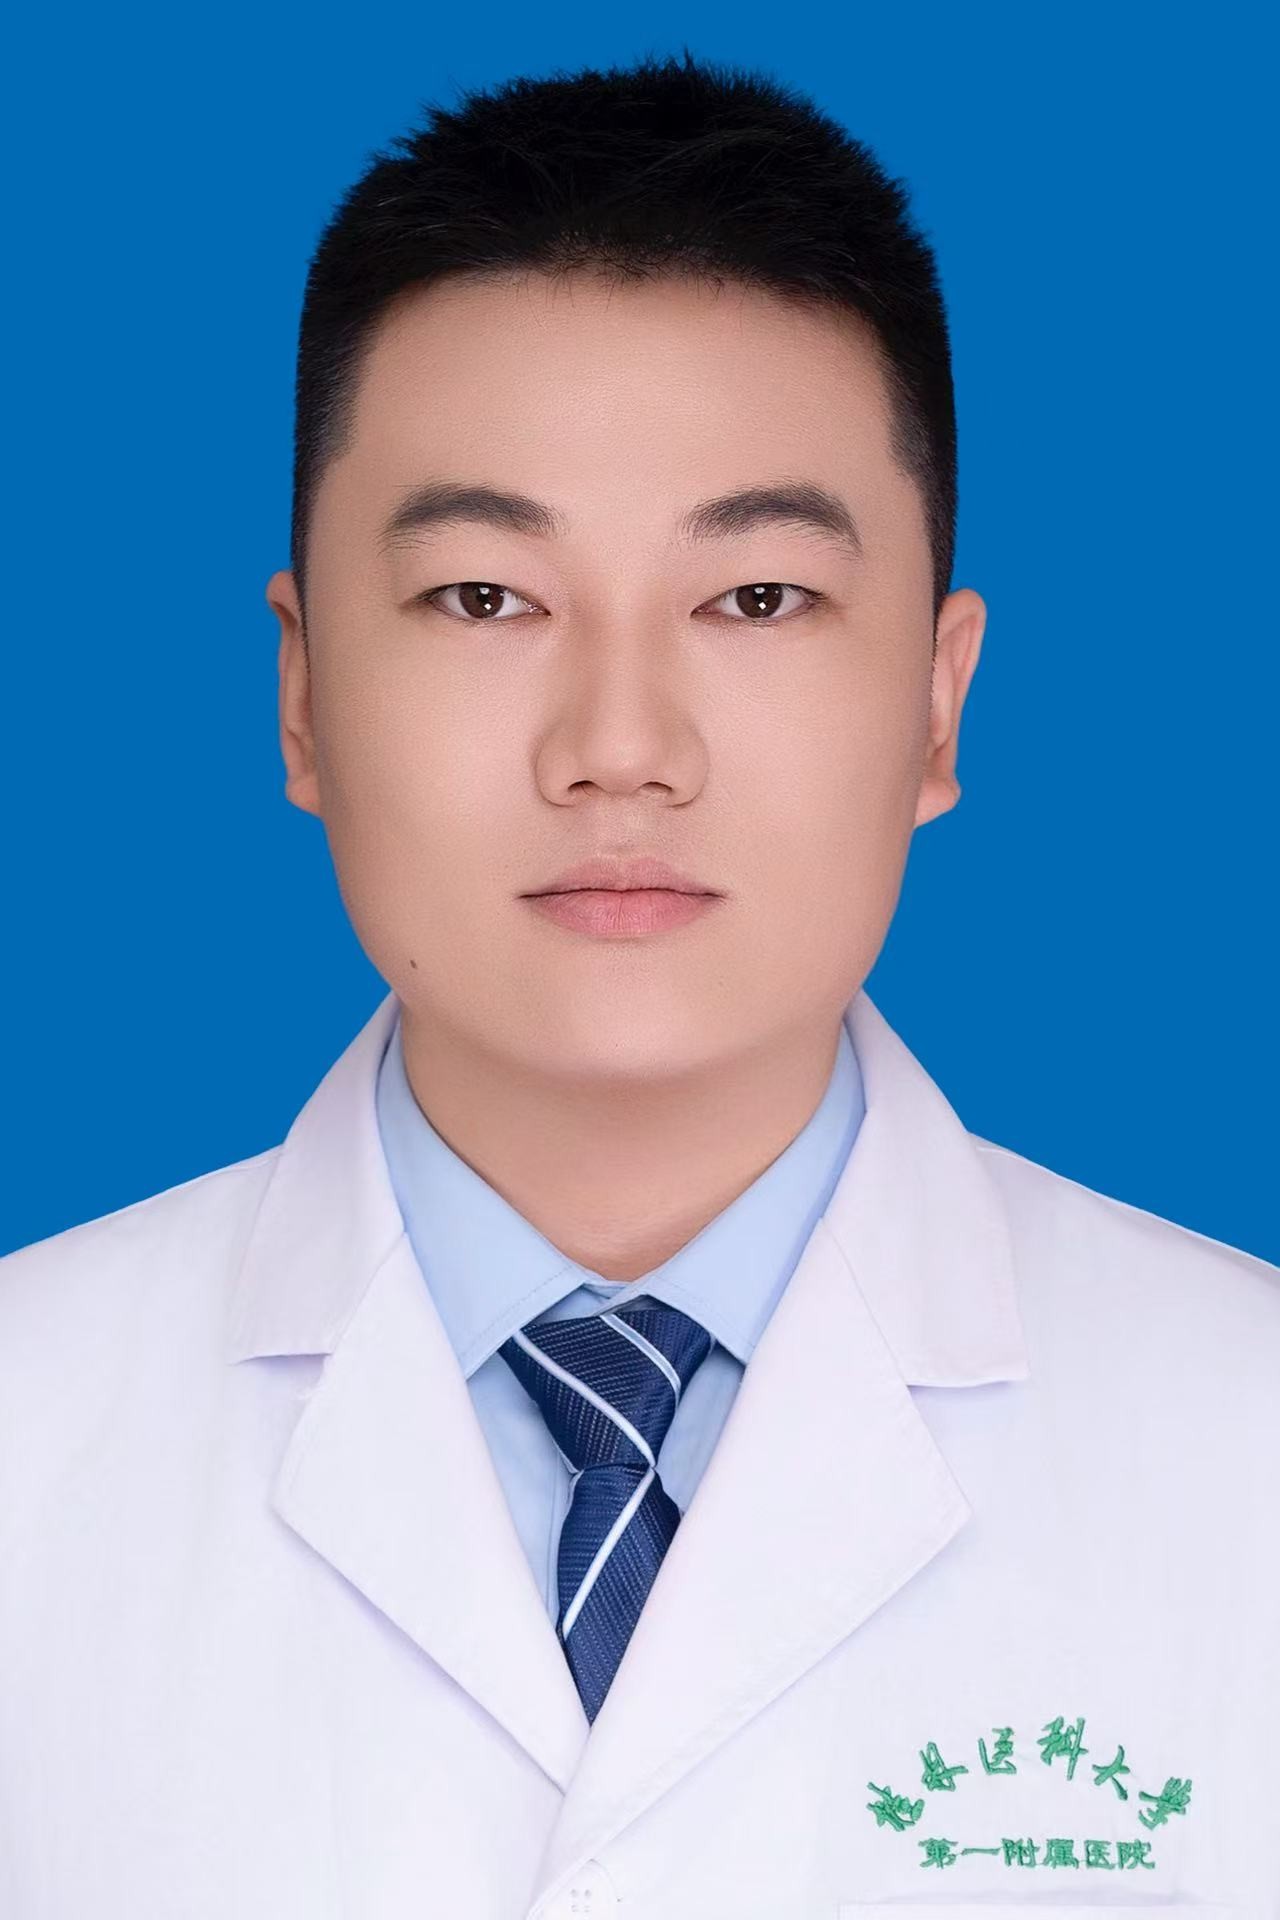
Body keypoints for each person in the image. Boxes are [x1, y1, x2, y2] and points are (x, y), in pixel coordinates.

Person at [1, 46, 1274, 1920]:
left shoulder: (1250, 1445)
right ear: (302, 694)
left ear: (938, 701)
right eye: (483, 599)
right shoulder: (25, 1434)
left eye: (756, 600)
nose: (618, 747)